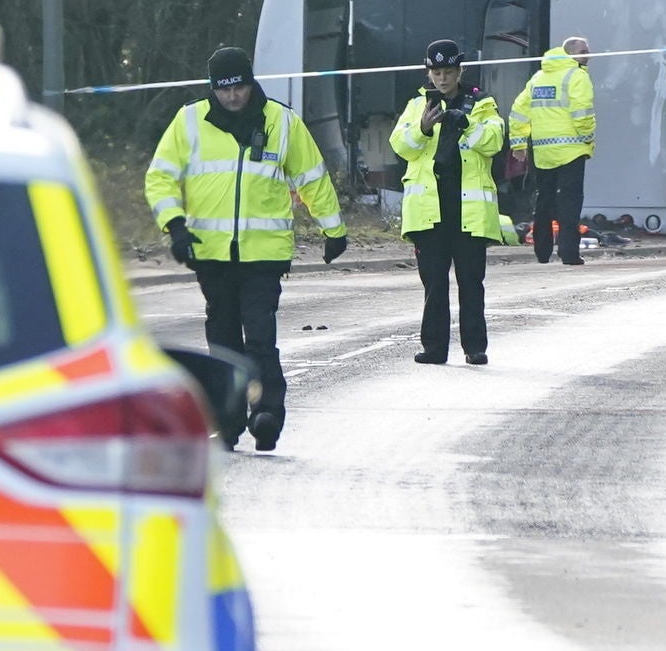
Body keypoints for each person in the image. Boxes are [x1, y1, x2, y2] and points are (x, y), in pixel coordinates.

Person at [143, 46, 346, 450]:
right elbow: (160, 177)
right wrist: (176, 226)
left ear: (251, 82)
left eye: (239, 87)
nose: (233, 97)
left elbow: (311, 178)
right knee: (221, 343)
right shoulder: (189, 122)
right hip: (211, 253)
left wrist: (333, 229)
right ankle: (226, 421)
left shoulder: (282, 122)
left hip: (264, 255)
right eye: (224, 90)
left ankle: (267, 413)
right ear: (212, 89)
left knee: (259, 337)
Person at [390, 38, 503, 364]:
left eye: (448, 71)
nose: (442, 78)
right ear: (429, 72)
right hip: (430, 212)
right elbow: (400, 145)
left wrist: (466, 125)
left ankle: (475, 347)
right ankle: (434, 348)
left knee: (471, 283)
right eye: (436, 72)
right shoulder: (417, 105)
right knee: (434, 285)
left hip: (467, 210)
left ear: (459, 71)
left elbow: (494, 140)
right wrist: (423, 128)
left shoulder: (481, 103)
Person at [509, 33, 598, 265]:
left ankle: (542, 251)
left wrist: (518, 143)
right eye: (583, 51)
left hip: (543, 151)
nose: (588, 55)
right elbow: (582, 112)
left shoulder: (538, 78)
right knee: (570, 202)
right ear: (570, 53)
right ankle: (569, 253)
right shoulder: (577, 76)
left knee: (544, 202)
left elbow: (519, 110)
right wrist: (588, 138)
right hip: (572, 149)